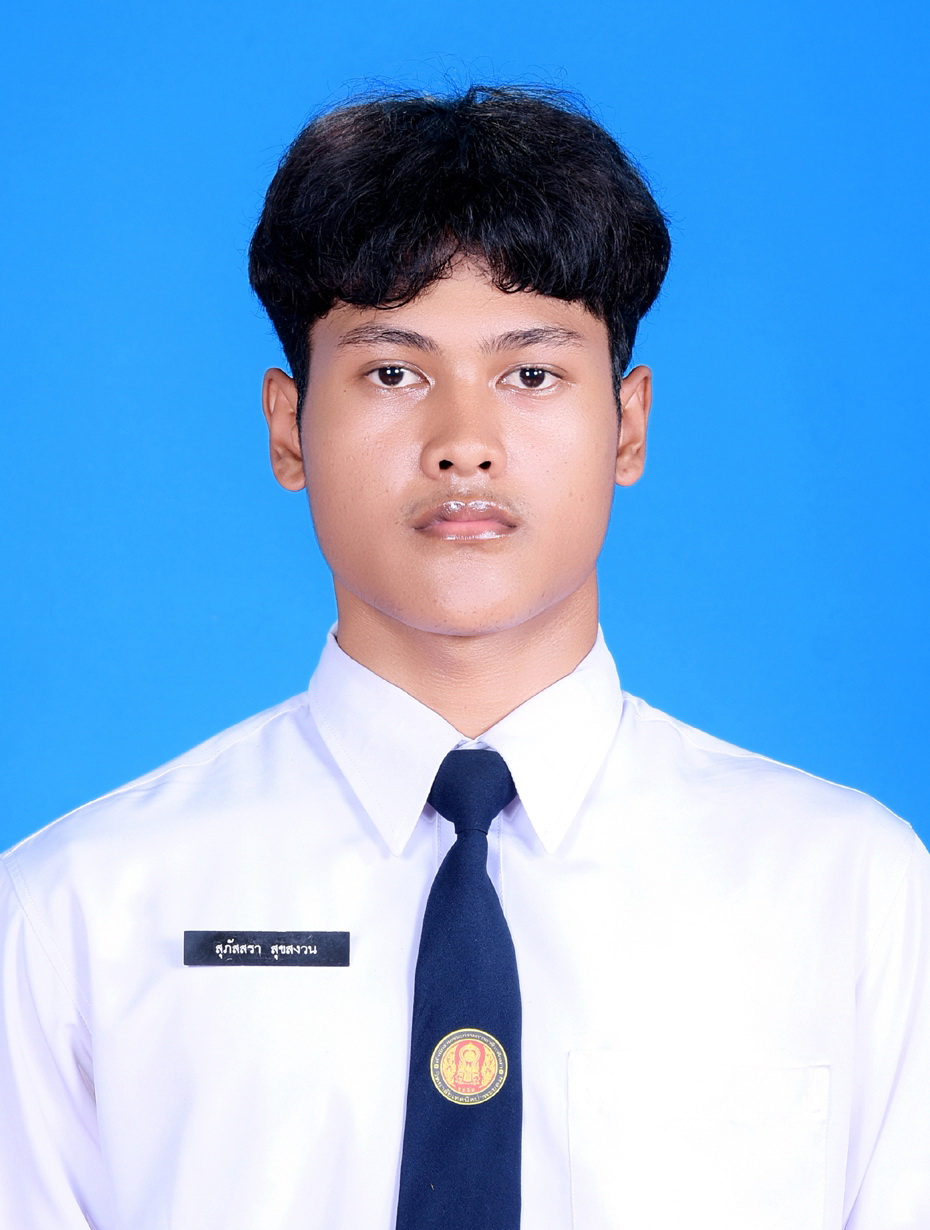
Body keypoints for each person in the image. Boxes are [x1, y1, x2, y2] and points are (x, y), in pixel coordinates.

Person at [0, 83, 927, 1230]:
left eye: (530, 374)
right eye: (394, 372)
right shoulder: (75, 913)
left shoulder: (852, 895)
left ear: (629, 424)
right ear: (288, 428)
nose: (465, 445)